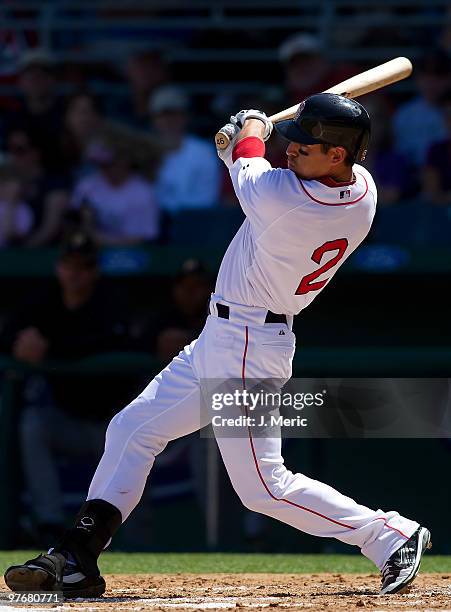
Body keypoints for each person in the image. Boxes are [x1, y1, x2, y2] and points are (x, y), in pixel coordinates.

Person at [4, 94, 430, 598]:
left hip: (248, 347)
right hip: (224, 337)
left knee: (263, 488)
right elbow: (248, 157)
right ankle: (77, 554)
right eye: (290, 144)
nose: (290, 152)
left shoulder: (285, 199)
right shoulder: (363, 188)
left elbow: (247, 158)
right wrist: (244, 140)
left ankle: (388, 534)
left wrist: (248, 129)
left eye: (304, 147)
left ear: (337, 155)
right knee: (133, 429)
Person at [0, 233, 133, 545]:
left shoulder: (109, 300)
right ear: (59, 267)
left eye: (84, 267)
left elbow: (116, 341)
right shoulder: (44, 299)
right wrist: (19, 344)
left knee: (139, 439)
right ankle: (48, 523)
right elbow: (7, 335)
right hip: (66, 419)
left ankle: (134, 538)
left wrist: (52, 347)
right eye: (69, 265)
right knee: (33, 425)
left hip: (111, 422)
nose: (75, 274)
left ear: (94, 270)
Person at [150, 85, 221, 212]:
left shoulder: (203, 152)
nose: (168, 120)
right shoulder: (142, 150)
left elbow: (208, 198)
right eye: (163, 115)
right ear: (154, 119)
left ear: (185, 116)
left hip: (193, 222)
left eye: (174, 114)